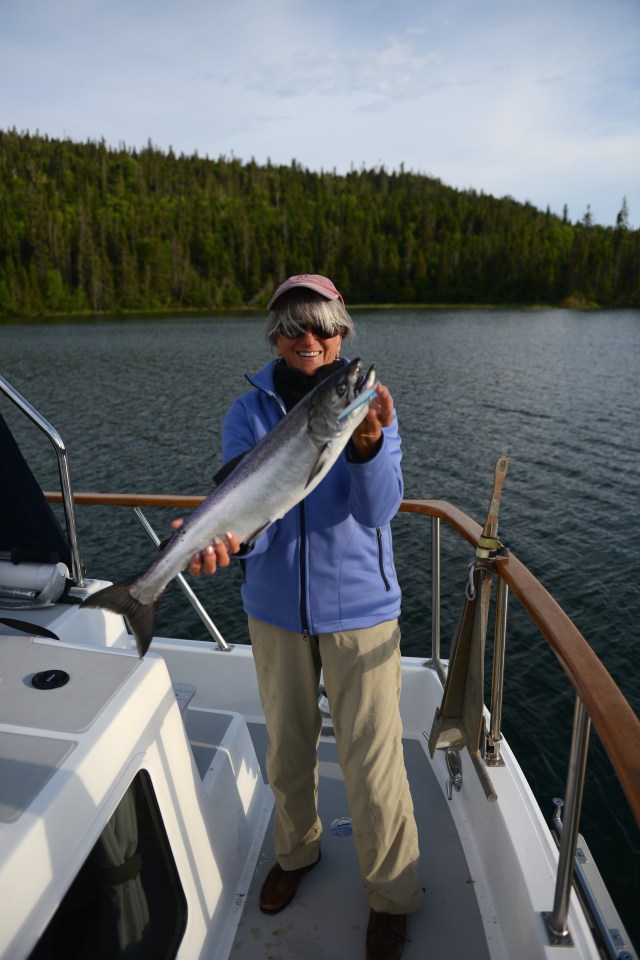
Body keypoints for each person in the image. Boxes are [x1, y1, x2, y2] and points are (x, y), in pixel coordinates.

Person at [179, 274, 423, 960]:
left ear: (342, 332)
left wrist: (372, 447)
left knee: (374, 765)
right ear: (275, 337)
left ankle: (393, 894)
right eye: (293, 326)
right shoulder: (246, 413)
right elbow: (245, 518)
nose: (309, 338)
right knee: (286, 749)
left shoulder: (369, 406)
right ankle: (296, 854)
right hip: (274, 612)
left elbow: (379, 512)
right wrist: (223, 543)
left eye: (322, 325)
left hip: (362, 612)